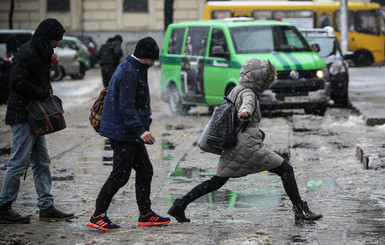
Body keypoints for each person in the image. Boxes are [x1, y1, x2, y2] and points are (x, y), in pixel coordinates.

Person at [167, 58, 323, 223]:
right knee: (286, 170)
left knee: (216, 182)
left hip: (234, 144)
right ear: (258, 78)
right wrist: (245, 112)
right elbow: (246, 106)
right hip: (248, 146)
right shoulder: (248, 93)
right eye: (264, 78)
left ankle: (180, 204)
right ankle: (300, 210)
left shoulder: (236, 89)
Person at [88, 37, 171, 231]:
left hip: (129, 132)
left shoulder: (136, 69)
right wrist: (141, 130)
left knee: (145, 170)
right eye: (152, 60)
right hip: (122, 132)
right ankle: (97, 215)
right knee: (120, 175)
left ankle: (145, 214)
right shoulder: (129, 72)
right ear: (146, 57)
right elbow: (126, 107)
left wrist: (143, 125)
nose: (153, 64)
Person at [0, 18, 75, 224]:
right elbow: (16, 82)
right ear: (47, 37)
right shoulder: (28, 53)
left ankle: (46, 206)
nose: (58, 43)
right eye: (56, 39)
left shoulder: (40, 51)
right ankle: (4, 206)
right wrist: (41, 93)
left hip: (34, 116)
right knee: (18, 162)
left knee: (41, 161)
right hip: (24, 115)